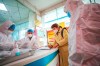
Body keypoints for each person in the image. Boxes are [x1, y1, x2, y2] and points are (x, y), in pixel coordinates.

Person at [64, 0, 100, 66]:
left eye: (67, 11)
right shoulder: (83, 12)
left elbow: (77, 43)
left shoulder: (79, 13)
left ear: (71, 6)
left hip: (84, 57)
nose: (68, 13)